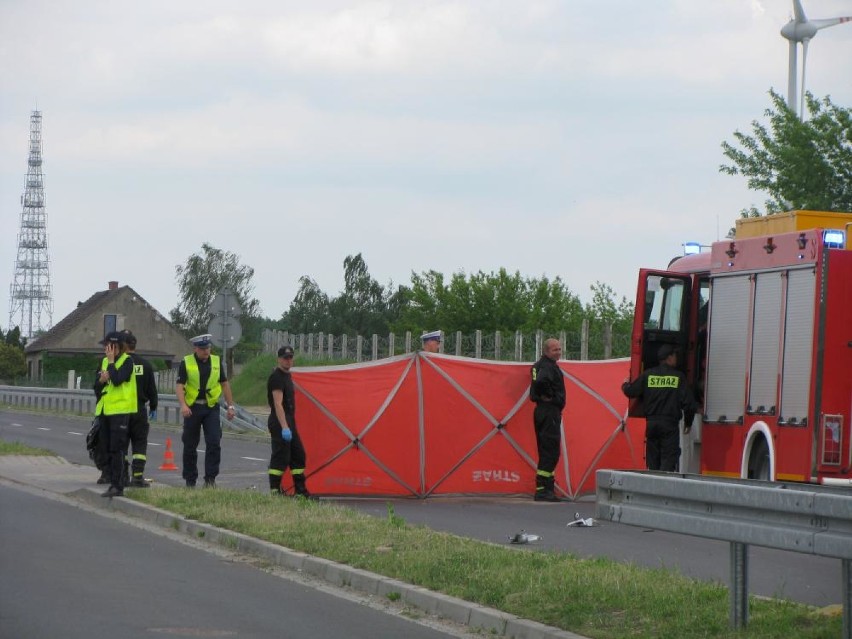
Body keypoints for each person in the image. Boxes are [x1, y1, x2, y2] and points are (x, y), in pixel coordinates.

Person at [621, 344, 697, 472]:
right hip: (669, 426)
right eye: (674, 355)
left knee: (653, 460)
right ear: (669, 358)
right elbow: (690, 404)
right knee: (668, 459)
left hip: (652, 425)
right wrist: (688, 423)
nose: (676, 358)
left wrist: (624, 385)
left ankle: (653, 486)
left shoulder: (648, 375)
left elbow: (631, 391)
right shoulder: (678, 377)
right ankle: (663, 487)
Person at [175, 334, 236, 488]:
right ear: (195, 348)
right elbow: (180, 385)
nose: (206, 351)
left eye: (208, 348)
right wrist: (183, 405)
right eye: (202, 349)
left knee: (214, 442)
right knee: (190, 445)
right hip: (192, 408)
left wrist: (230, 406)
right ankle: (190, 480)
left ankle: (210, 479)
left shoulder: (216, 362)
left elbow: (224, 384)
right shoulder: (186, 362)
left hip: (211, 407)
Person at [266, 345, 315, 499]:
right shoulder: (277, 377)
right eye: (285, 358)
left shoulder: (287, 375)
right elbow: (278, 404)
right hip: (280, 422)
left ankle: (300, 491)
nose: (288, 361)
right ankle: (275, 491)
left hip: (289, 421)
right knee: (281, 457)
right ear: (279, 359)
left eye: (290, 358)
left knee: (298, 455)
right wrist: (285, 427)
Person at [93, 331, 136, 497]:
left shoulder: (127, 362)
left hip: (120, 411)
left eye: (108, 346)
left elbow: (118, 379)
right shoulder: (103, 361)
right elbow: (96, 387)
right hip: (105, 410)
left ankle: (118, 486)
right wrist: (101, 381)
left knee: (117, 449)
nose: (105, 349)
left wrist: (111, 364)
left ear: (116, 346)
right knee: (105, 448)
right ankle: (110, 479)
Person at [529, 338, 566, 502]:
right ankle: (543, 489)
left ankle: (546, 488)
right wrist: (550, 397)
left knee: (547, 450)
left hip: (543, 411)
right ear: (546, 351)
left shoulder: (539, 365)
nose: (558, 352)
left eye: (559, 349)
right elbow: (542, 381)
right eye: (555, 350)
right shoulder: (547, 366)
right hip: (548, 411)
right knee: (551, 451)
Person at [121, 330, 158, 488]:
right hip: (139, 410)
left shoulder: (118, 363)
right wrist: (154, 407)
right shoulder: (145, 364)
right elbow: (152, 391)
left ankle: (122, 476)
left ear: (123, 345)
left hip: (120, 410)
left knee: (121, 445)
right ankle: (137, 477)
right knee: (139, 444)